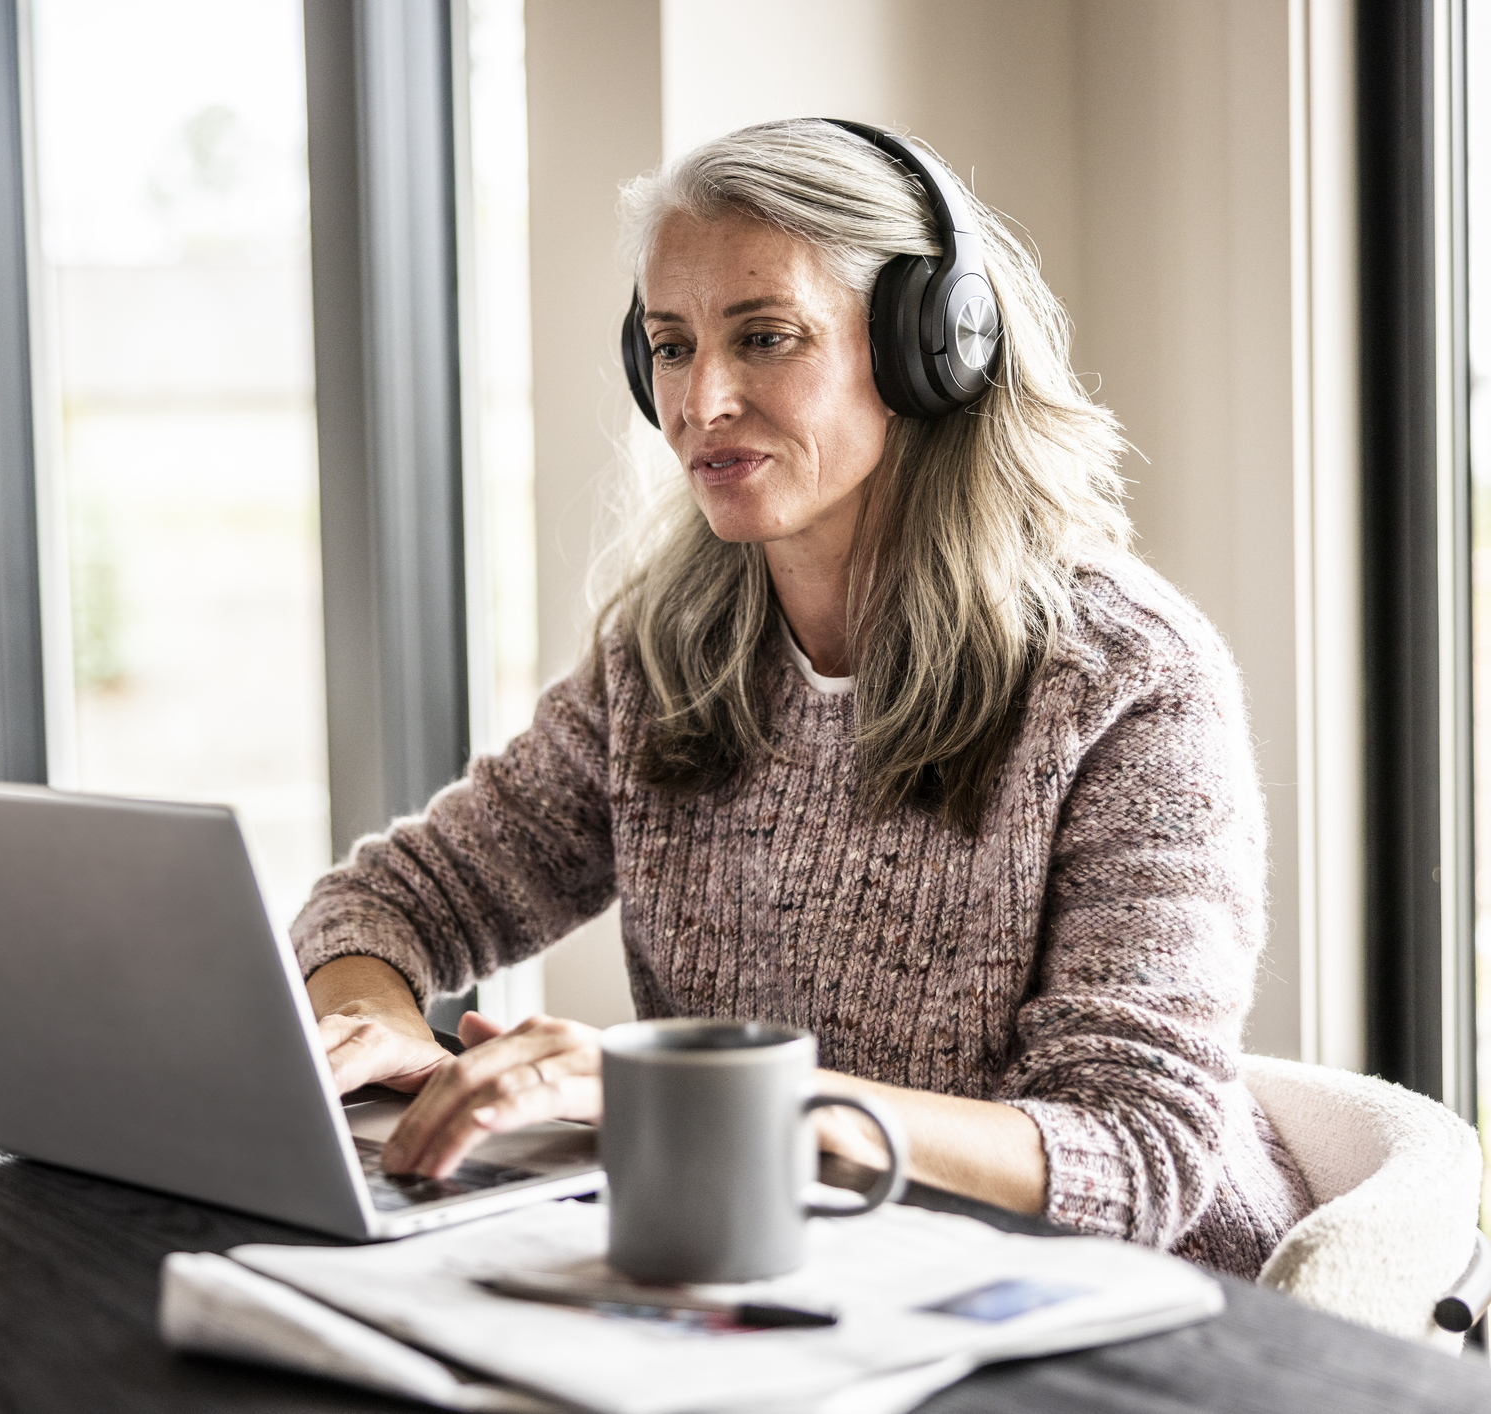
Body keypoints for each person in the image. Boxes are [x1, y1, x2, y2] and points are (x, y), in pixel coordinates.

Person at [290, 118, 1311, 1278]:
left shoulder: (1126, 679)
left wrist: (703, 1099)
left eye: (763, 338)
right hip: (796, 1278)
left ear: (932, 346)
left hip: (1134, 1317)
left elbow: (1134, 1155)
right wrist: (365, 1014)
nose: (702, 399)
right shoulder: (667, 653)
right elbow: (388, 899)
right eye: (668, 348)